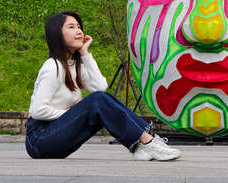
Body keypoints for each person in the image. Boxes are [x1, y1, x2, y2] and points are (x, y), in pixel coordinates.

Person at [25, 11, 181, 161]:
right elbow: (37, 111)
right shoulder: (53, 67)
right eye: (71, 27)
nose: (79, 31)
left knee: (100, 100)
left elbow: (100, 88)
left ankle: (142, 144)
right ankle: (147, 142)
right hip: (40, 139)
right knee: (97, 101)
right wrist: (71, 112)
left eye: (79, 26)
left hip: (56, 135)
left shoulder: (74, 66)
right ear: (57, 34)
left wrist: (85, 53)